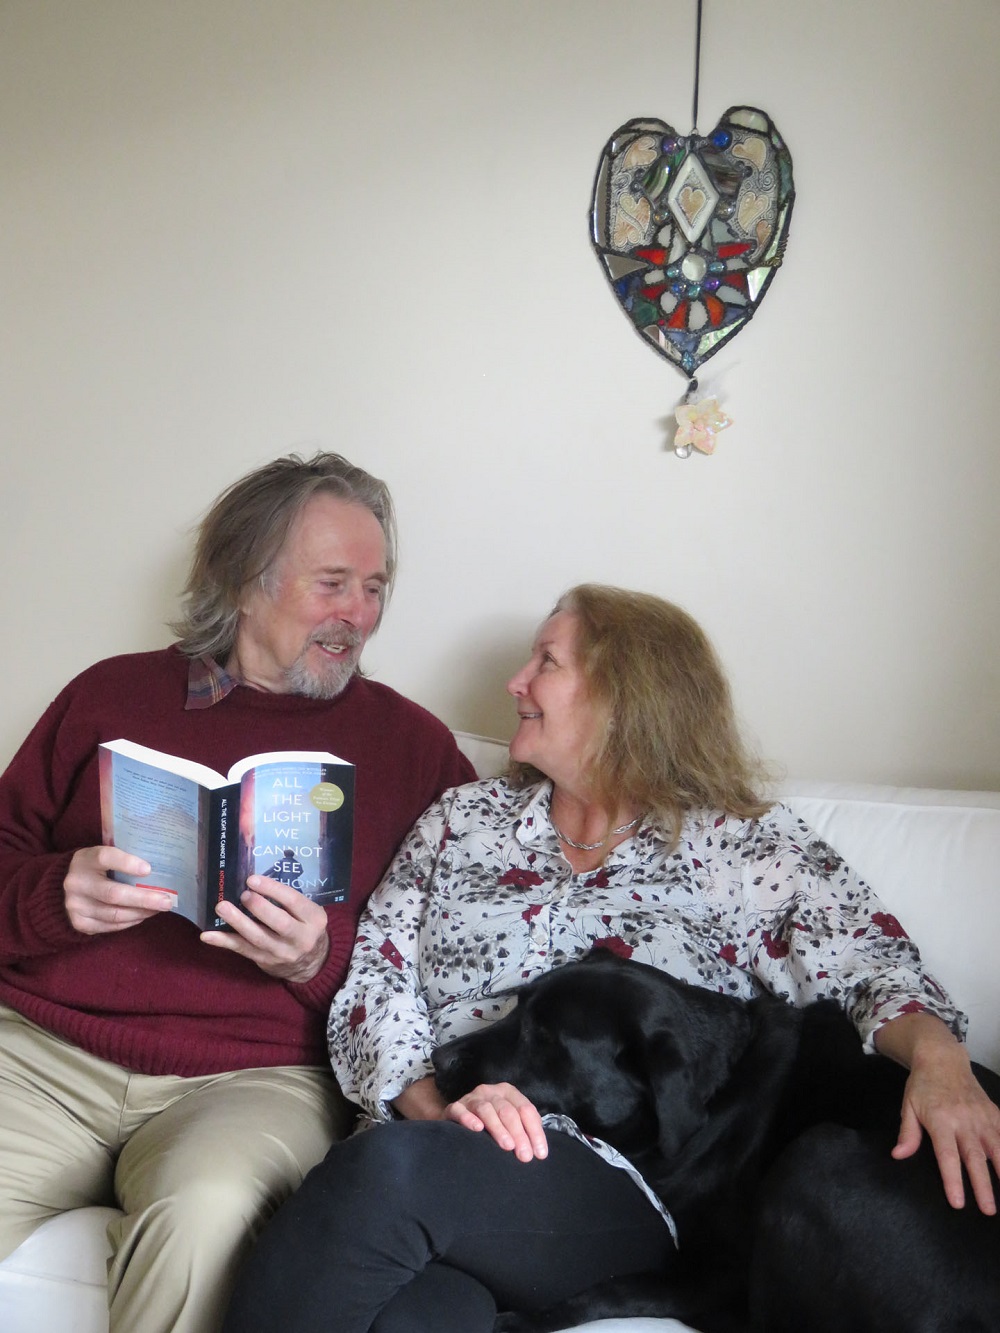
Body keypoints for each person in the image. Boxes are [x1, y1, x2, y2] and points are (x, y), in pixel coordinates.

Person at [222, 584, 1000, 1333]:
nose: (515, 682)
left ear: (624, 696)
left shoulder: (740, 843)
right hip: (438, 1131)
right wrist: (432, 1104)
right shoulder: (462, 820)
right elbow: (375, 980)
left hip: (611, 1184)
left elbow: (874, 965)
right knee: (422, 1313)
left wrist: (940, 1063)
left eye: (546, 663)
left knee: (387, 1178)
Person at [0, 452, 475, 1333]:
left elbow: (451, 962)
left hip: (255, 1079)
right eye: (332, 582)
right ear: (244, 580)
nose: (358, 615)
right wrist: (50, 894)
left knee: (206, 1213)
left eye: (374, 587)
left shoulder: (413, 747)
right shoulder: (107, 694)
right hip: (43, 1054)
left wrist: (315, 957)